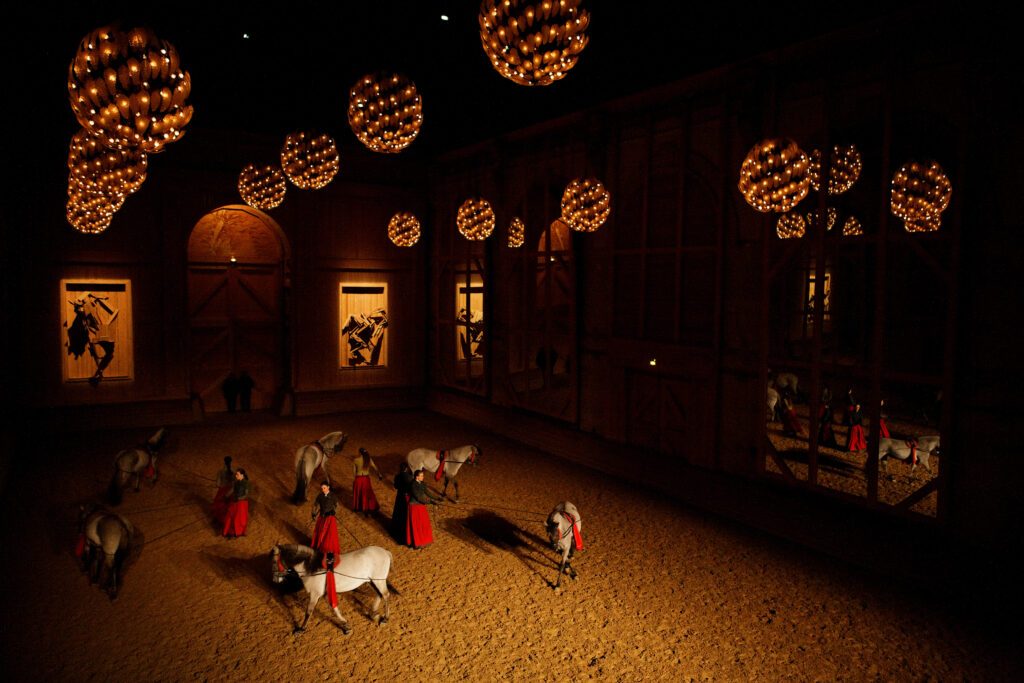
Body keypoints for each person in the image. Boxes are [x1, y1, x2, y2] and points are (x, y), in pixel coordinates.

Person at [406, 468, 440, 549]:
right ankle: (416, 543)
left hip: (421, 506)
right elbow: (418, 497)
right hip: (414, 506)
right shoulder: (413, 485)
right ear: (416, 477)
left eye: (422, 476)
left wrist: (437, 498)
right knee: (416, 525)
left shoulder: (422, 483)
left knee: (424, 523)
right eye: (421, 476)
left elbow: (428, 492)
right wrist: (430, 502)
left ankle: (423, 540)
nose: (423, 477)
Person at [311, 481, 341, 556]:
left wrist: (334, 511)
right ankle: (320, 546)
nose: (323, 489)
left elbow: (337, 505)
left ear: (328, 487)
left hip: (330, 518)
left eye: (324, 488)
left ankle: (328, 548)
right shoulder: (320, 496)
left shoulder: (333, 496)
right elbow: (315, 504)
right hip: (322, 517)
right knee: (320, 531)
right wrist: (313, 513)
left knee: (329, 533)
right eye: (322, 488)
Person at [352, 447, 383, 515]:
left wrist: (354, 480)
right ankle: (369, 507)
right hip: (366, 479)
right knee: (368, 493)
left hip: (359, 479)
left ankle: (359, 507)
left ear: (359, 453)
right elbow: (375, 467)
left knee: (359, 493)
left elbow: (354, 472)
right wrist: (379, 475)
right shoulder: (368, 459)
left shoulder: (356, 460)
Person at [389, 462, 414, 542]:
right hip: (406, 497)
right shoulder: (409, 477)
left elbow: (395, 486)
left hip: (399, 496)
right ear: (406, 468)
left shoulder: (397, 476)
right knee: (405, 514)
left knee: (398, 513)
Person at [223, 468, 250, 538]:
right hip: (235, 502)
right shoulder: (236, 482)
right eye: (236, 474)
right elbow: (232, 490)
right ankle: (232, 531)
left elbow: (246, 494)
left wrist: (240, 498)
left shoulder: (246, 483)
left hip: (242, 503)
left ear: (242, 475)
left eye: (237, 474)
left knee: (239, 519)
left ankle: (238, 532)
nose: (236, 476)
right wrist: (226, 495)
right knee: (231, 516)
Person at [212, 456, 234, 524]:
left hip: (223, 490)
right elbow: (234, 485)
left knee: (219, 504)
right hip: (230, 491)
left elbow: (218, 484)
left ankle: (219, 519)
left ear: (224, 462)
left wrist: (219, 484)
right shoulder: (233, 472)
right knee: (228, 506)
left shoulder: (220, 472)